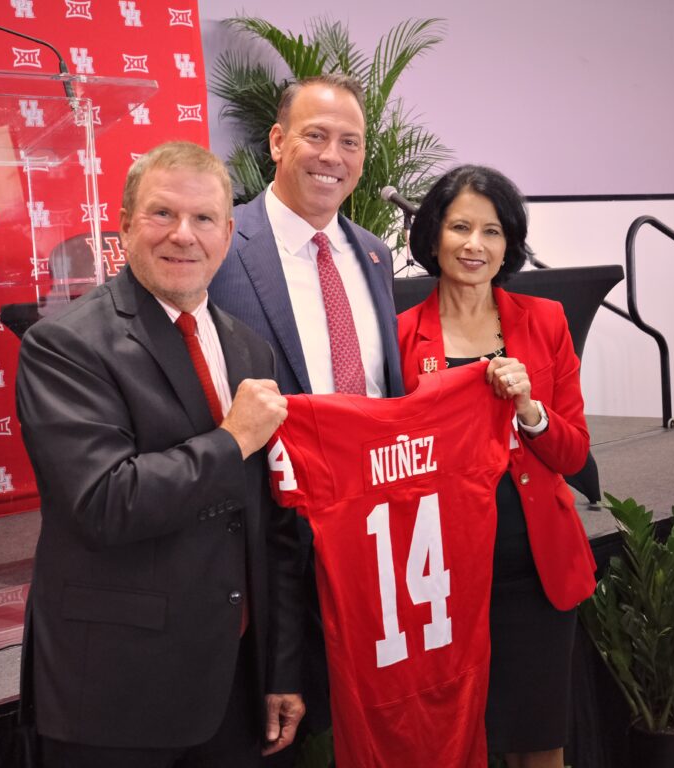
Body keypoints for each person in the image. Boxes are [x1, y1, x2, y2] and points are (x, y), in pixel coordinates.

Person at [16, 141, 304, 768]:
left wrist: (281, 668)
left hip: (234, 684)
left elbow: (272, 525)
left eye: (204, 218)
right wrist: (233, 439)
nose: (183, 235)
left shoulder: (249, 348)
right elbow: (104, 502)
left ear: (226, 236)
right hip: (116, 693)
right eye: (162, 213)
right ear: (124, 225)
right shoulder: (64, 345)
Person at [209, 73, 405, 754]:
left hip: (372, 533)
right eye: (315, 136)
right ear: (277, 141)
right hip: (267, 548)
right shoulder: (222, 246)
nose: (332, 156)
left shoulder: (374, 253)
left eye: (350, 142)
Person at [396, 165, 597, 768]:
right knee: (457, 742)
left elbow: (574, 454)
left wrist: (530, 410)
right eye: (460, 227)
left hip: (533, 568)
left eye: (492, 231)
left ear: (509, 244)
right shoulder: (399, 335)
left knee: (540, 742)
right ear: (433, 236)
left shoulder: (545, 320)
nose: (474, 245)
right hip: (440, 574)